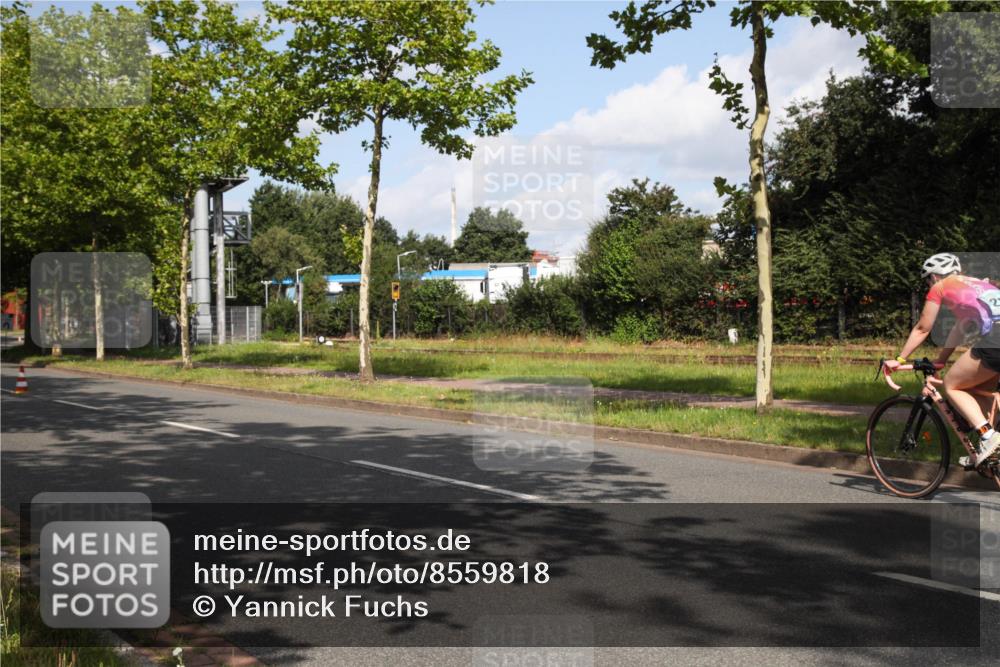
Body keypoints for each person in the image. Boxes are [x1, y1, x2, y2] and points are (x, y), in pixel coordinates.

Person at [885, 253, 1000, 467]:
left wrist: (899, 359)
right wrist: (941, 361)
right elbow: (960, 328)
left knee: (952, 385)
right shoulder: (974, 285)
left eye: (928, 279)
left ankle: (989, 437)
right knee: (977, 392)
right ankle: (989, 454)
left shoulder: (940, 287)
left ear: (935, 276)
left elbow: (922, 328)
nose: (929, 284)